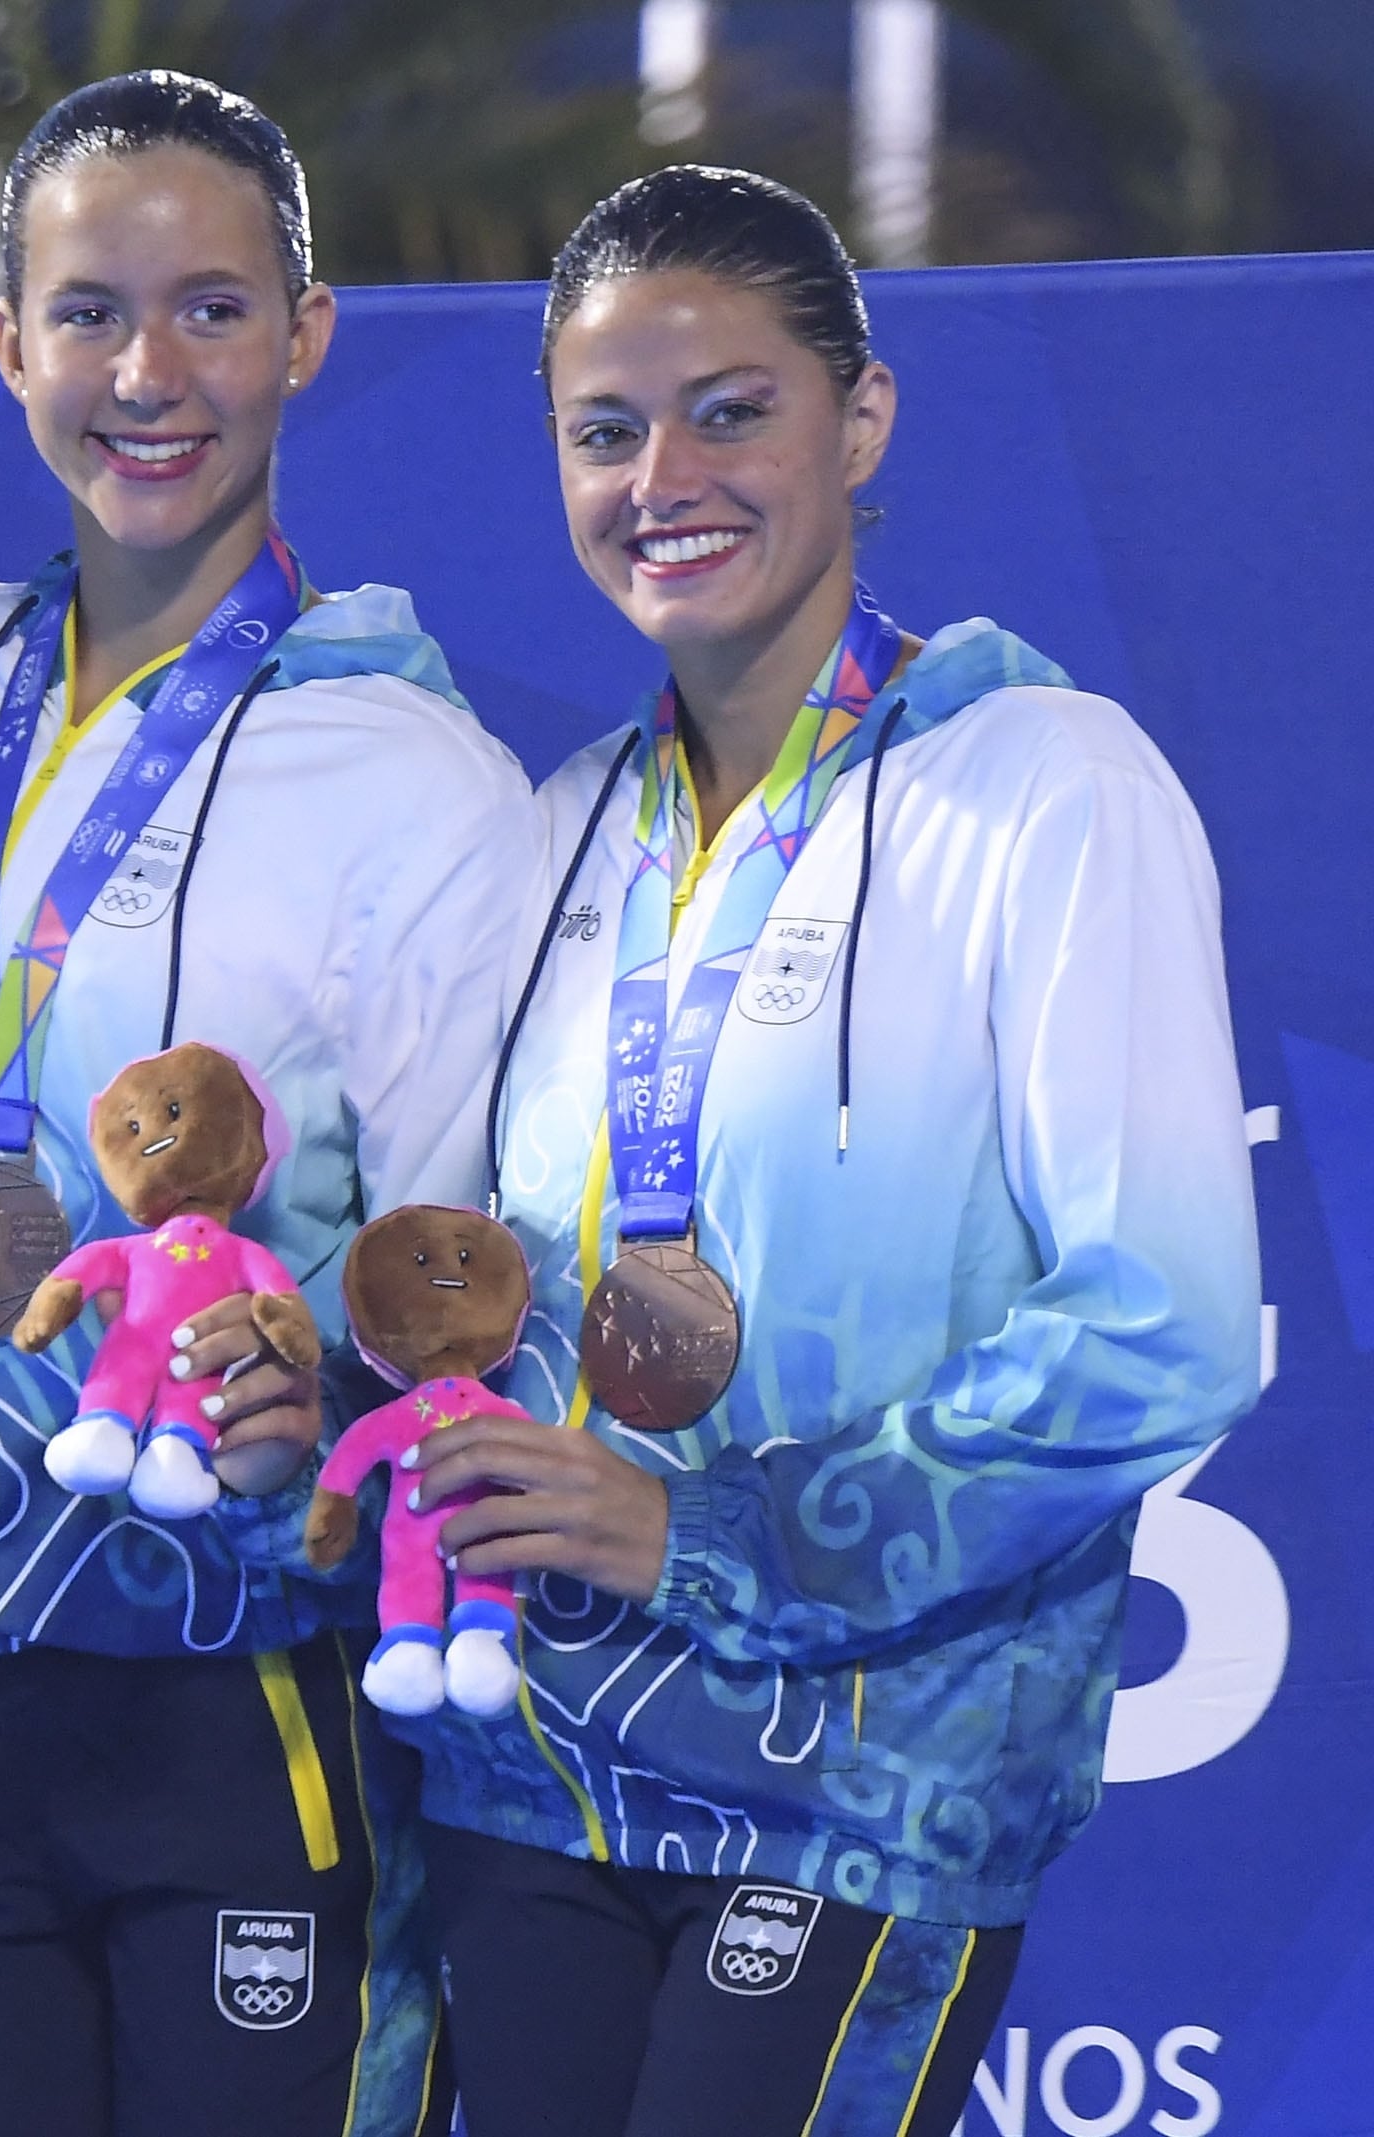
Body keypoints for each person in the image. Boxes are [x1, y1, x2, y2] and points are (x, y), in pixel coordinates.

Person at [402, 165, 1258, 2137]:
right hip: (537, 1771)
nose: (660, 475)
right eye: (601, 431)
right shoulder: (551, 836)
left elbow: (1162, 1321)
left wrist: (714, 1530)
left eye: (730, 408)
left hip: (864, 1786)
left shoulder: (1042, 781)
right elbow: (464, 1271)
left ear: (855, 419)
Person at [0, 72, 542, 2137]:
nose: (147, 373)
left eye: (212, 311)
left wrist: (337, 1378)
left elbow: (477, 1267)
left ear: (305, 336)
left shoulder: (406, 770)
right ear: (4, 343)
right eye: (90, 312)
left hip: (246, 1687)